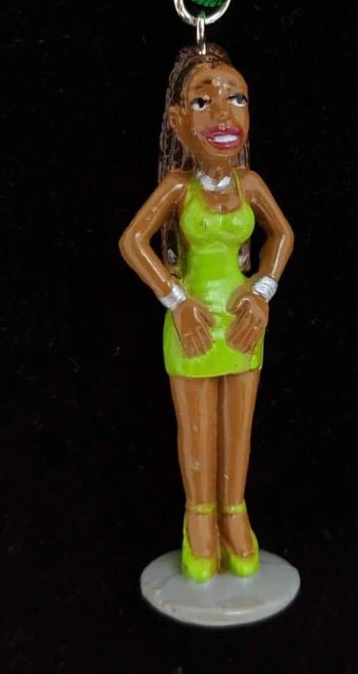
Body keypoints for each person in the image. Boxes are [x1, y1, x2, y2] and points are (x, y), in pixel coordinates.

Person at [119, 43, 294, 582]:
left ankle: (234, 513)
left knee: (238, 427)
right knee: (197, 429)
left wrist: (262, 291)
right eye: (202, 102)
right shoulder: (178, 188)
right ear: (177, 121)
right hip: (191, 325)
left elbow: (283, 236)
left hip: (243, 325)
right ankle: (199, 517)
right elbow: (133, 242)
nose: (223, 114)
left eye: (236, 99)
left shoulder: (251, 185)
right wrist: (176, 300)